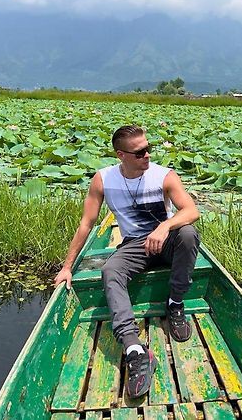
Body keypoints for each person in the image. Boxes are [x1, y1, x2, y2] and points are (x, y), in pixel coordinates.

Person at [54, 125, 200, 398]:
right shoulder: (103, 180)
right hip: (134, 245)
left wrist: (164, 227)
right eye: (140, 152)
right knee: (110, 271)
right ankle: (134, 348)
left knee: (189, 234)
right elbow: (87, 223)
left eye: (148, 149)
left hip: (167, 240)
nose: (147, 155)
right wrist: (66, 267)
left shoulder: (163, 176)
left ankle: (175, 303)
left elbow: (192, 210)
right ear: (121, 155)